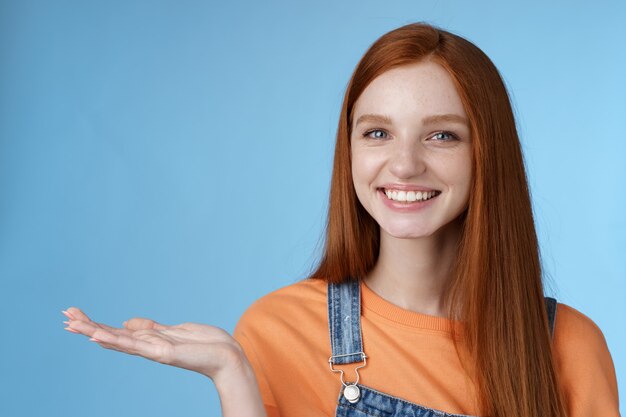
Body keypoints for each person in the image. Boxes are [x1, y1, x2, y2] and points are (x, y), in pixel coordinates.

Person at [63, 22, 620, 417]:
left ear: (486, 155)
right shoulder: (278, 330)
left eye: (442, 135)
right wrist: (231, 374)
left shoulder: (567, 347)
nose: (404, 163)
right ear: (349, 150)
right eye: (377, 132)